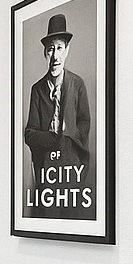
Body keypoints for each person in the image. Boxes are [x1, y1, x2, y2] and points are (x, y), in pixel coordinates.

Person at [23, 13, 92, 206]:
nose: (55, 56)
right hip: (46, 168)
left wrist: (69, 140)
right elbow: (30, 134)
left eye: (59, 48)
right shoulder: (37, 89)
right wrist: (52, 139)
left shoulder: (77, 84)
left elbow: (85, 124)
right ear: (45, 53)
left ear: (67, 50)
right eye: (50, 49)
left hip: (72, 166)